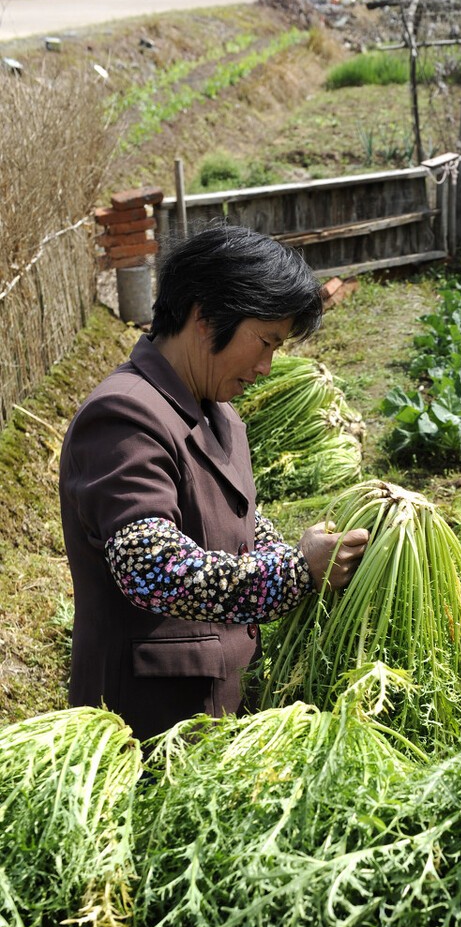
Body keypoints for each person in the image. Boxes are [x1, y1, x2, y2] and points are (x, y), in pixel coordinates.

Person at [60, 224, 369, 740]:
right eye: (265, 341)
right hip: (146, 725)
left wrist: (303, 550)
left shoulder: (219, 413)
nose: (268, 366)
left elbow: (235, 521)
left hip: (213, 711)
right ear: (205, 317)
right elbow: (153, 569)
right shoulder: (124, 415)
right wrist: (294, 573)